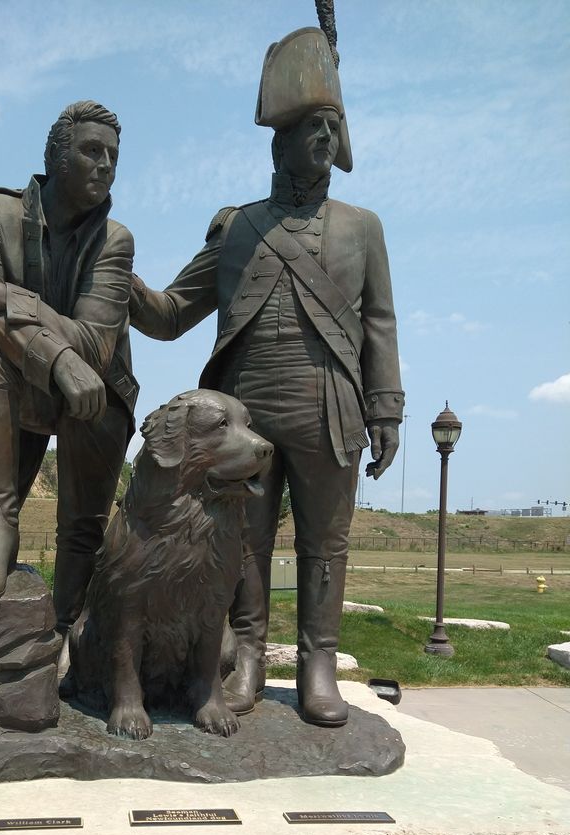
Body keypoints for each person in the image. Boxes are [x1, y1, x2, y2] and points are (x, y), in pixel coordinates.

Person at [129, 29, 404, 727]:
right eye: (309, 126)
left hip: (328, 404)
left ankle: (317, 667)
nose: (321, 137)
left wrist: (388, 409)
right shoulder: (239, 229)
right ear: (276, 142)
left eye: (330, 127)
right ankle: (246, 655)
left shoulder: (363, 228)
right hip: (242, 411)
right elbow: (167, 314)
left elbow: (379, 324)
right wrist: (113, 271)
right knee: (242, 543)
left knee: (325, 541)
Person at [0, 101, 138, 664]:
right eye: (91, 150)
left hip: (98, 391)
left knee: (83, 529)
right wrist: (56, 361)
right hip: (24, 379)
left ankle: (68, 629)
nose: (105, 165)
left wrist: (9, 296)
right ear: (55, 155)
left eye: (113, 157)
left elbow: (96, 345)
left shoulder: (115, 241)